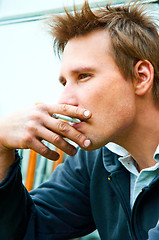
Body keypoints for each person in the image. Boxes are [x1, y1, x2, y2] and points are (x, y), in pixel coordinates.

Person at [0, 0, 159, 239]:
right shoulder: (96, 158)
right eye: (64, 83)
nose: (64, 100)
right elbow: (27, 230)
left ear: (141, 77)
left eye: (84, 76)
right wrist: (1, 148)